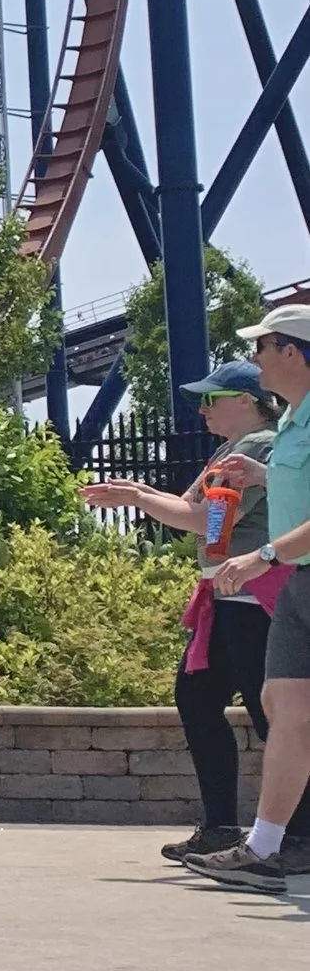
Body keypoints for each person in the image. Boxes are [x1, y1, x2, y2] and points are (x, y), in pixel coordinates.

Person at [84, 364, 284, 863]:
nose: (201, 409)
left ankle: (292, 837)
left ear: (245, 399)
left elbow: (204, 520)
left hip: (255, 600)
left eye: (211, 399)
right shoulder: (228, 451)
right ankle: (220, 826)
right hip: (224, 598)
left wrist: (137, 499)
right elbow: (188, 509)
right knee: (198, 700)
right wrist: (140, 492)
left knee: (272, 717)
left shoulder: (260, 447)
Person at [186, 303, 310, 894]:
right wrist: (261, 477)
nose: (254, 357)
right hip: (297, 583)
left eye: (262, 346)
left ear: (291, 351)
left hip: (282, 572)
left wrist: (262, 556)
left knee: (286, 713)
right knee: (283, 710)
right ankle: (265, 848)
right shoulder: (290, 423)